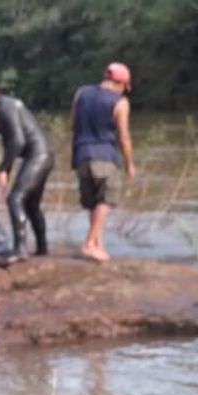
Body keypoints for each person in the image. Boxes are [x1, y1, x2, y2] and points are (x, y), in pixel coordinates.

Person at [0, 81, 52, 259]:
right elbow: (13, 143)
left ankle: (20, 249)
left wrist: (3, 169)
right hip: (43, 155)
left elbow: (17, 141)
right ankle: (42, 248)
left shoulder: (5, 107)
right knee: (31, 205)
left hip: (37, 156)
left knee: (15, 199)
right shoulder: (8, 104)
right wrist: (7, 170)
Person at [70, 62, 135, 262]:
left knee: (93, 203)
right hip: (105, 156)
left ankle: (98, 244)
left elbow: (73, 124)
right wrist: (129, 164)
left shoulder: (80, 93)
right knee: (106, 201)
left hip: (81, 155)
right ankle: (89, 243)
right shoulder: (120, 103)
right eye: (125, 87)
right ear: (121, 83)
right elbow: (123, 137)